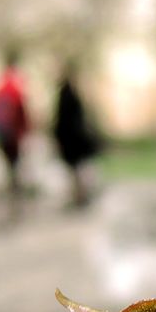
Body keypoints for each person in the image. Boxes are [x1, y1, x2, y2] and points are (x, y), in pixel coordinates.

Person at [52, 62, 100, 210]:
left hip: (70, 139)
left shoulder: (66, 95)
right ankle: (79, 195)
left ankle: (79, 196)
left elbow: (63, 120)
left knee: (75, 169)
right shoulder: (70, 94)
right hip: (73, 138)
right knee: (76, 169)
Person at [0, 51, 30, 220]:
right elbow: (22, 112)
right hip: (14, 134)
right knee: (15, 167)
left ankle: (12, 199)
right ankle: (15, 200)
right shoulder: (15, 87)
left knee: (10, 167)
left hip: (4, 134)